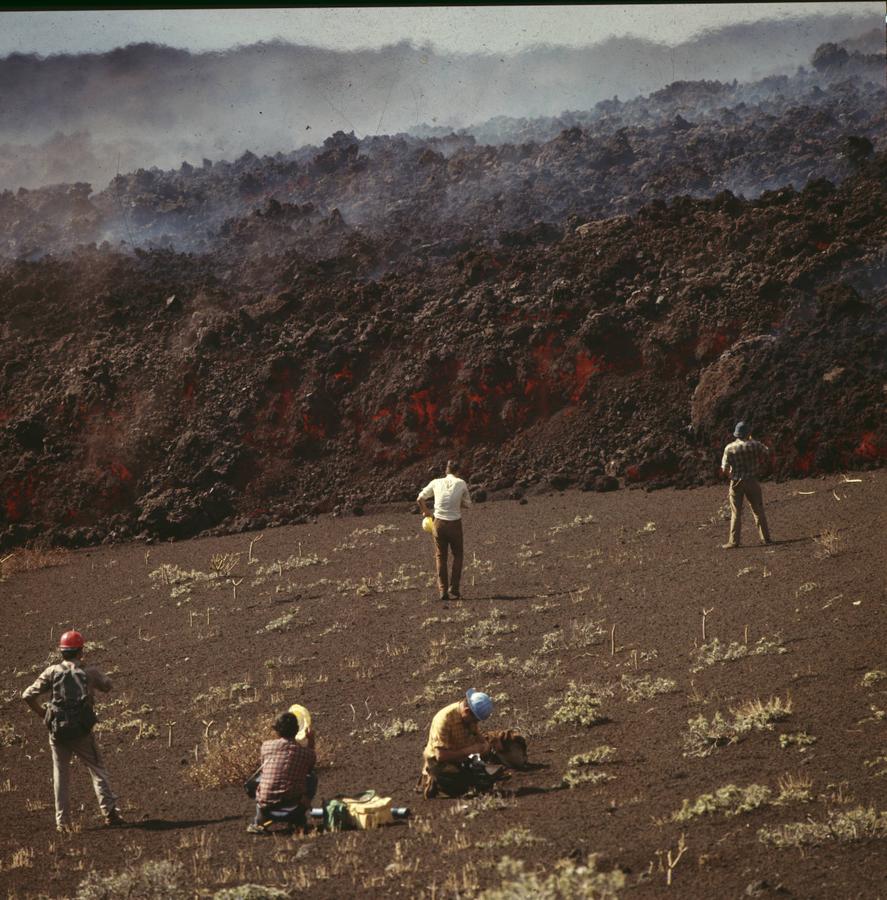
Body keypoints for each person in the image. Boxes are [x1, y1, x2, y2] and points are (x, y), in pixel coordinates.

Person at [22, 630, 125, 832]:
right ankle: (110, 813)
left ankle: (63, 823)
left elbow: (27, 695)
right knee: (97, 770)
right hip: (81, 732)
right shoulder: (89, 673)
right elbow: (108, 686)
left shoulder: (51, 672)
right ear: (81, 651)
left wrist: (44, 714)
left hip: (57, 732)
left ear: (62, 652)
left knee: (61, 773)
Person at [418, 689, 498, 799]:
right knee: (460, 787)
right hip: (439, 762)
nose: (476, 723)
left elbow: (479, 739)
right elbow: (440, 756)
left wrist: (484, 746)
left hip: (461, 758)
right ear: (467, 711)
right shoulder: (444, 720)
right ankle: (432, 781)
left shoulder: (469, 719)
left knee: (484, 781)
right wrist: (470, 750)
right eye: (475, 720)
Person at [247, 711, 317, 834]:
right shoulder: (306, 753)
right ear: (297, 731)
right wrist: (311, 740)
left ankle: (259, 820)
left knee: (261, 778)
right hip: (293, 809)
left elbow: (264, 770)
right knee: (312, 778)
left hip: (266, 809)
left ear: (277, 731)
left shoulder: (266, 746)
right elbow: (310, 766)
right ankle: (299, 819)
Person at [417, 459, 472, 602]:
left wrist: (426, 512)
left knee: (441, 556)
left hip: (438, 523)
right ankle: (454, 588)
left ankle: (442, 590)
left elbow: (419, 498)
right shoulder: (461, 483)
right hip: (454, 524)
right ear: (458, 471)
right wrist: (457, 500)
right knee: (458, 555)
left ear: (446, 470)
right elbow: (468, 505)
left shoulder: (436, 482)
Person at [720, 421, 773, 549]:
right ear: (748, 433)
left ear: (736, 434)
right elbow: (767, 452)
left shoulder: (729, 448)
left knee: (736, 512)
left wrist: (730, 476)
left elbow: (724, 468)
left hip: (737, 482)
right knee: (758, 510)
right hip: (752, 480)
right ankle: (765, 539)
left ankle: (734, 542)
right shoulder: (755, 445)